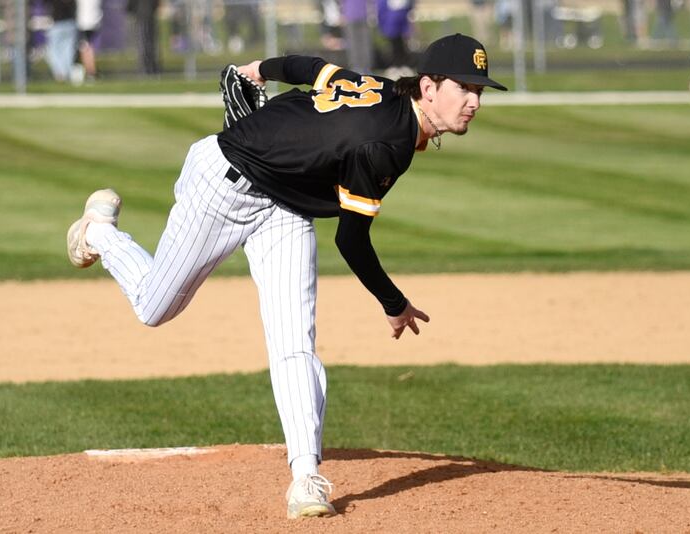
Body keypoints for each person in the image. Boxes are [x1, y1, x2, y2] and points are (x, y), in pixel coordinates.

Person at [66, 33, 506, 519]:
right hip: (225, 182)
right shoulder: (386, 144)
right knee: (154, 307)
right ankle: (100, 234)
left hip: (286, 206)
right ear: (428, 87)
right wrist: (393, 301)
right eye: (464, 88)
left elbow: (311, 67)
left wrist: (260, 67)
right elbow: (351, 241)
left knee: (295, 340)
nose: (473, 101)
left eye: (479, 91)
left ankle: (306, 479)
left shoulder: (380, 87)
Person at [44, 0, 78, 82]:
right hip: (71, 24)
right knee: (68, 51)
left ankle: (60, 73)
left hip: (58, 25)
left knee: (53, 51)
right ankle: (67, 73)